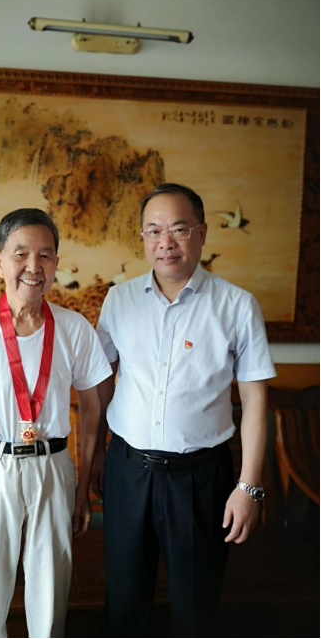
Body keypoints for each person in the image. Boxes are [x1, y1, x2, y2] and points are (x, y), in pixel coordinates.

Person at [93, 183, 277, 638]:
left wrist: (249, 487)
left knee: (197, 610)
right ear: (142, 237)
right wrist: (93, 457)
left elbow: (256, 398)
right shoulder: (119, 300)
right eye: (153, 230)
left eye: (179, 229)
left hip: (200, 479)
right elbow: (98, 384)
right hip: (127, 471)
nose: (166, 242)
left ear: (202, 233)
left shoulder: (237, 305)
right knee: (124, 605)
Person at [0, 208, 112, 638]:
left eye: (45, 255)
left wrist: (82, 487)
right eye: (21, 254)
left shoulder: (74, 328)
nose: (34, 266)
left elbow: (91, 408)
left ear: (56, 264)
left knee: (51, 592)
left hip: (53, 465)